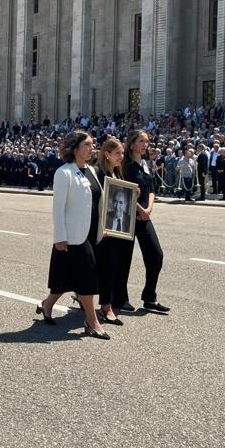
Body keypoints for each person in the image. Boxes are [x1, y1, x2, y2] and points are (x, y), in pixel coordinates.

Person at [36, 130, 109, 340]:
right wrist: (60, 236)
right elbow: (58, 208)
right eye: (87, 144)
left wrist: (101, 226)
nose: (92, 148)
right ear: (75, 148)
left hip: (91, 233)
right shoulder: (64, 172)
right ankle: (92, 321)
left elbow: (97, 201)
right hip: (73, 236)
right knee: (87, 277)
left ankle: (47, 305)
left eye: (93, 144)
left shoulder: (92, 171)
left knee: (64, 278)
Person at [115, 130, 170, 314]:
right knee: (123, 259)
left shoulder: (146, 163)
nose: (145, 144)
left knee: (156, 255)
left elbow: (151, 189)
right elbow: (123, 190)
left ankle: (149, 297)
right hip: (127, 216)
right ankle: (120, 299)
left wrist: (149, 209)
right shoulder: (125, 165)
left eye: (147, 141)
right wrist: (140, 209)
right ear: (131, 144)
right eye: (141, 141)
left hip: (144, 216)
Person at [95, 137, 127, 326]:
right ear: (107, 154)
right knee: (105, 268)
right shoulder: (99, 173)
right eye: (118, 153)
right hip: (103, 229)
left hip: (116, 229)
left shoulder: (117, 173)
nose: (121, 157)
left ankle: (101, 302)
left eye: (122, 153)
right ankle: (106, 307)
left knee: (111, 267)